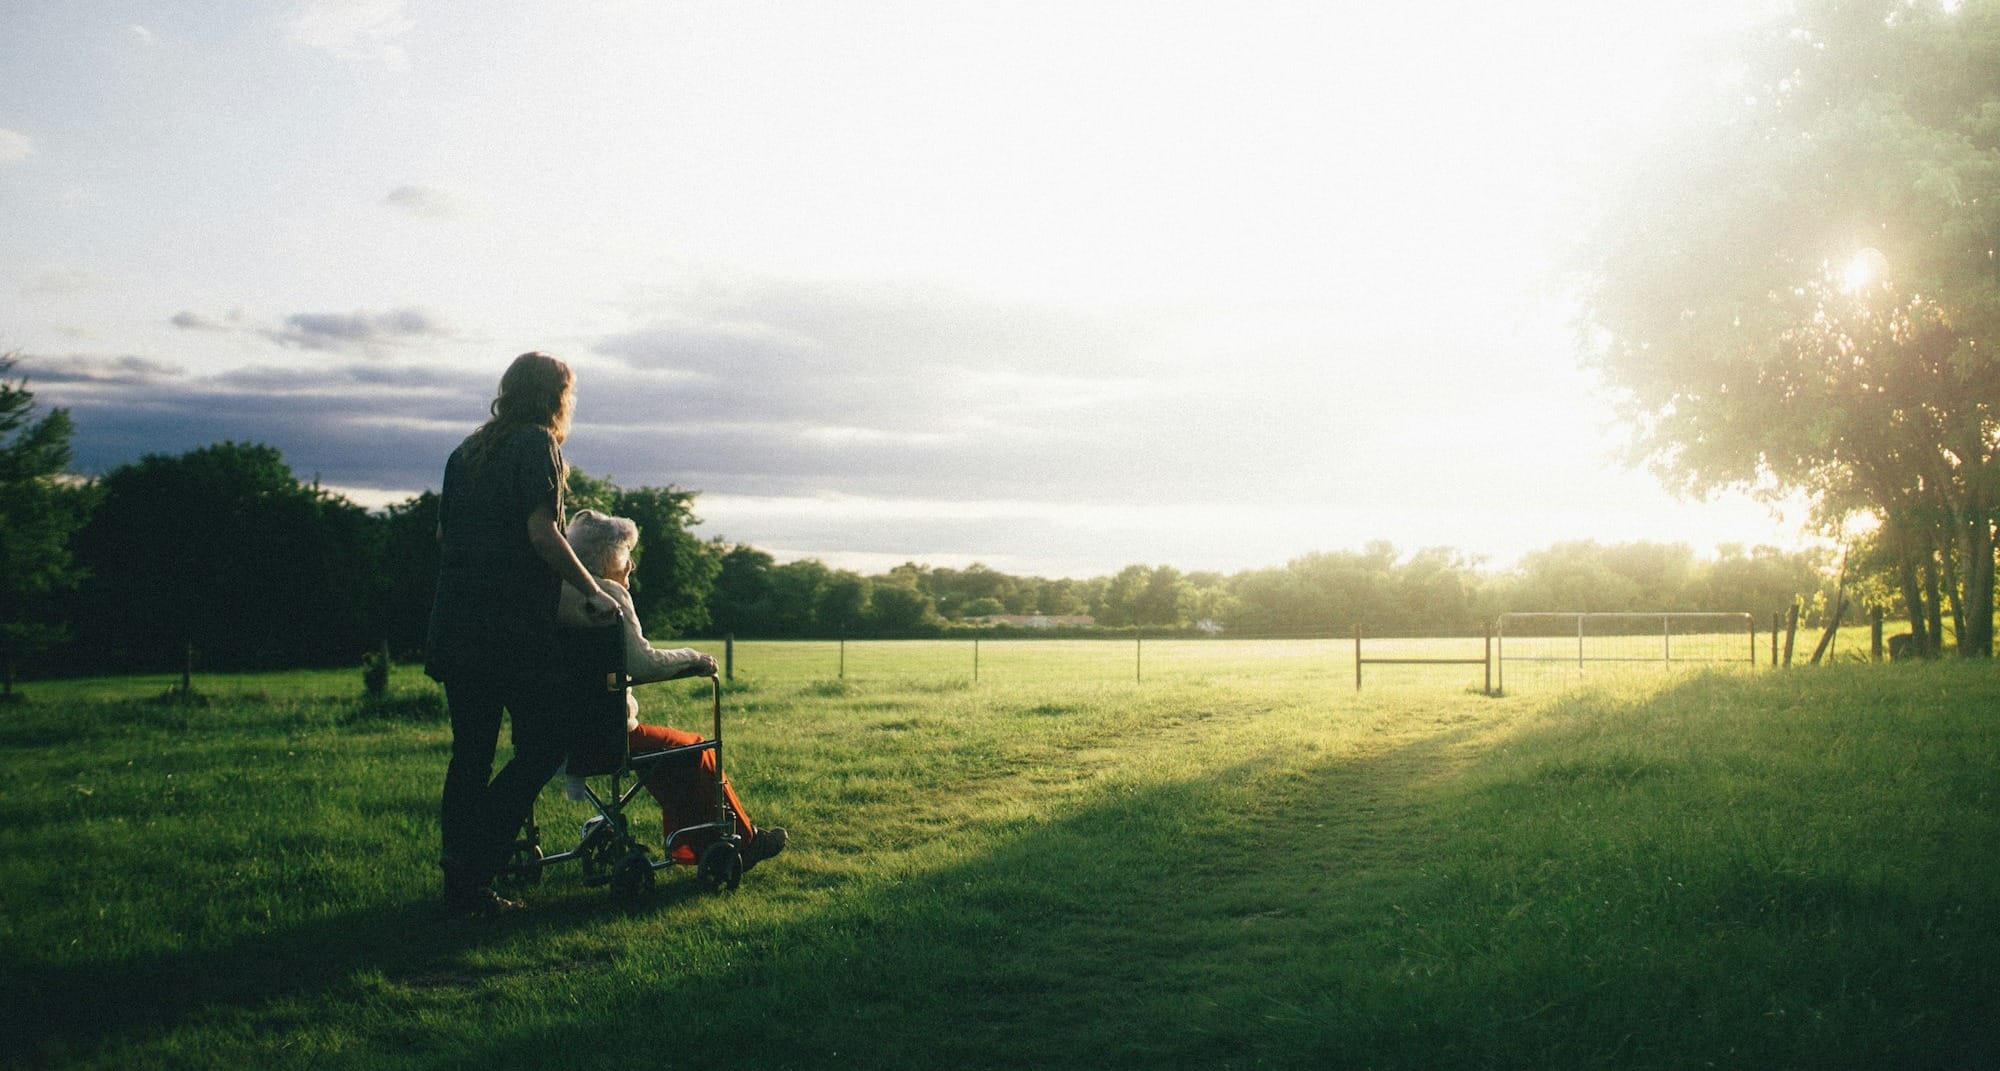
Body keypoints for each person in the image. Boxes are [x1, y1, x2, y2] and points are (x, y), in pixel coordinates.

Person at [425, 352, 620, 916]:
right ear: (557, 396)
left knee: (471, 754)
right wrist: (593, 590)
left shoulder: (466, 452)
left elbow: (445, 533)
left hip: (455, 621)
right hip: (507, 629)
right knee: (543, 745)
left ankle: (461, 883)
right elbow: (544, 533)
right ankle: (474, 861)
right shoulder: (538, 446)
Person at [557, 509, 788, 869]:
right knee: (695, 748)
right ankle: (744, 840)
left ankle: (694, 846)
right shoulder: (608, 597)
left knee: (668, 754)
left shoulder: (558, 595)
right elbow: (643, 664)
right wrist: (693, 658)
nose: (631, 564)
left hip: (559, 735)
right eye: (626, 554)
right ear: (607, 558)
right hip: (608, 735)